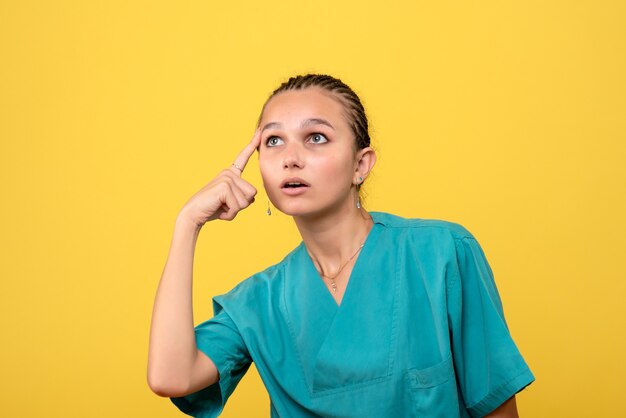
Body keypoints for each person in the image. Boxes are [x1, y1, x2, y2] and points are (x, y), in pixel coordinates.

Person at [147, 74, 535, 417]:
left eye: (316, 138)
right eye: (273, 140)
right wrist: (188, 224)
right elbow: (170, 377)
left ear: (360, 165)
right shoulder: (257, 302)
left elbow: (497, 409)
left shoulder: (442, 254)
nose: (290, 159)